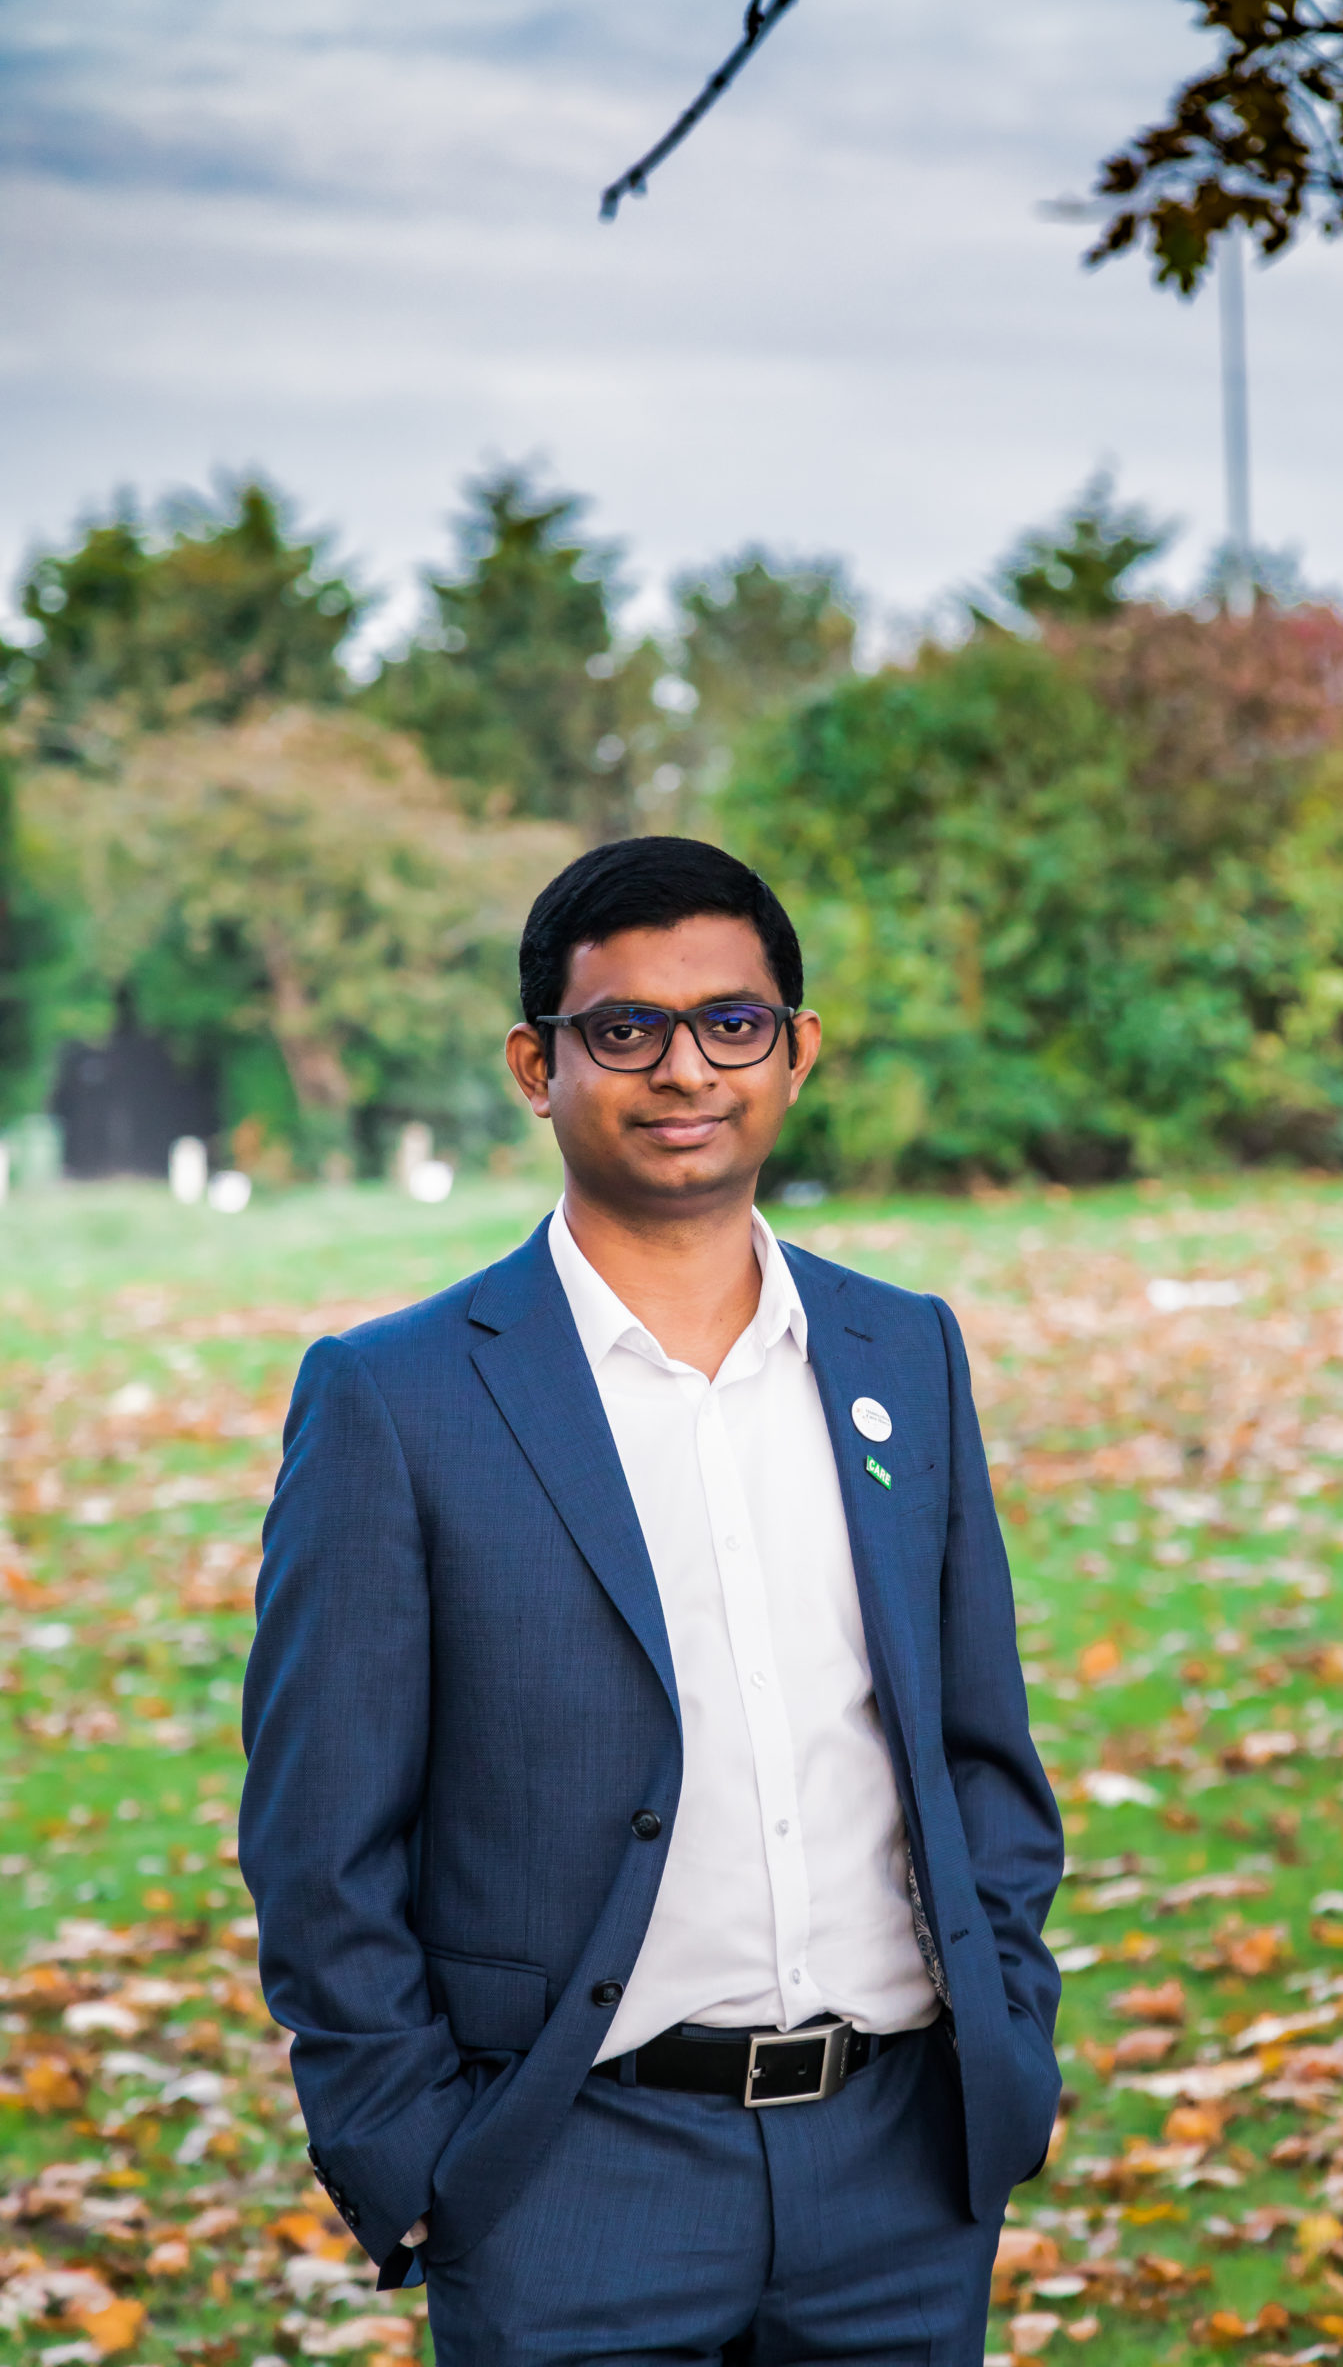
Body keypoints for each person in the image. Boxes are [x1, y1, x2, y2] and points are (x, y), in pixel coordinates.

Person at [239, 836, 1062, 2367]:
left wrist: (1010, 2032)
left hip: (900, 2171)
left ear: (796, 1051)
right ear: (536, 1065)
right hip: (566, 2178)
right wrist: (409, 2151)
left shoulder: (905, 1354)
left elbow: (978, 1748)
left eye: (731, 1022)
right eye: (625, 1030)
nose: (685, 1069)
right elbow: (318, 1835)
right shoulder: (395, 1398)